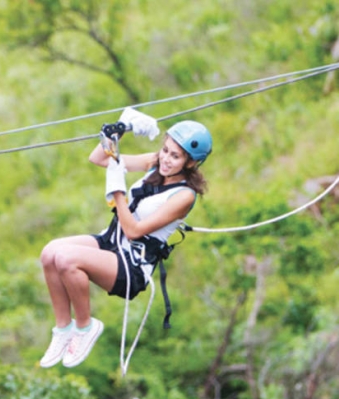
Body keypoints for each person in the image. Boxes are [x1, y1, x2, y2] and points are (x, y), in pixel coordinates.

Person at [39, 108, 212, 368]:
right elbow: (99, 159)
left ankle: (85, 327)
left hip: (131, 265)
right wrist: (119, 128)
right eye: (165, 150)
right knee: (49, 253)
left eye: (175, 156)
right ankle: (64, 329)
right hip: (112, 242)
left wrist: (117, 190)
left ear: (190, 163)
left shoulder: (184, 196)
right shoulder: (156, 163)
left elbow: (133, 230)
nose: (166, 159)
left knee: (66, 259)